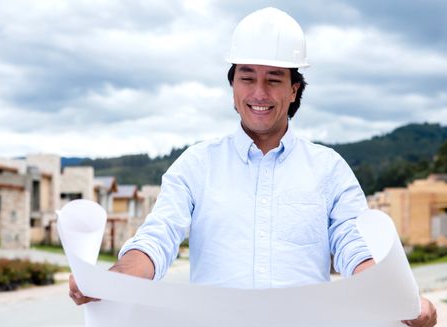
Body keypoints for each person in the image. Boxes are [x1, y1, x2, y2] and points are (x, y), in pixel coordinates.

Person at [69, 7, 437, 326]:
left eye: (274, 79)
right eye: (247, 77)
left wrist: (396, 300)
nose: (259, 93)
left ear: (294, 89)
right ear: (233, 86)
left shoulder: (329, 170)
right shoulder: (196, 166)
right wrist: (112, 281)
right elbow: (156, 240)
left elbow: (355, 249)